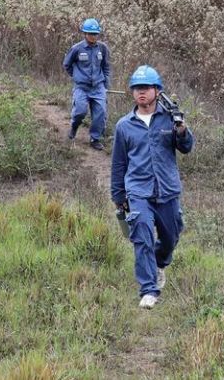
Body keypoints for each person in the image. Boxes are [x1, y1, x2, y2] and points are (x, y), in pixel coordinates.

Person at [111, 65, 194, 309]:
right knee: (142, 236)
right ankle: (148, 290)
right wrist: (118, 196)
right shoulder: (124, 126)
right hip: (138, 191)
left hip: (167, 189)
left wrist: (182, 130)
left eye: (146, 88)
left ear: (157, 91)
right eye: (137, 89)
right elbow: (118, 164)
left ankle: (159, 263)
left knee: (172, 235)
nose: (141, 93)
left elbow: (187, 147)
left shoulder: (170, 118)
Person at [62, 18, 111, 150]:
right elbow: (67, 64)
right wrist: (76, 76)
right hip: (82, 88)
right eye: (91, 34)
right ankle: (74, 127)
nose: (93, 36)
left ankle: (95, 138)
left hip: (98, 87)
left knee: (100, 113)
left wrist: (106, 85)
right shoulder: (77, 49)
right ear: (85, 34)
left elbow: (106, 67)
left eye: (95, 34)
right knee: (80, 112)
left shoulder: (103, 48)